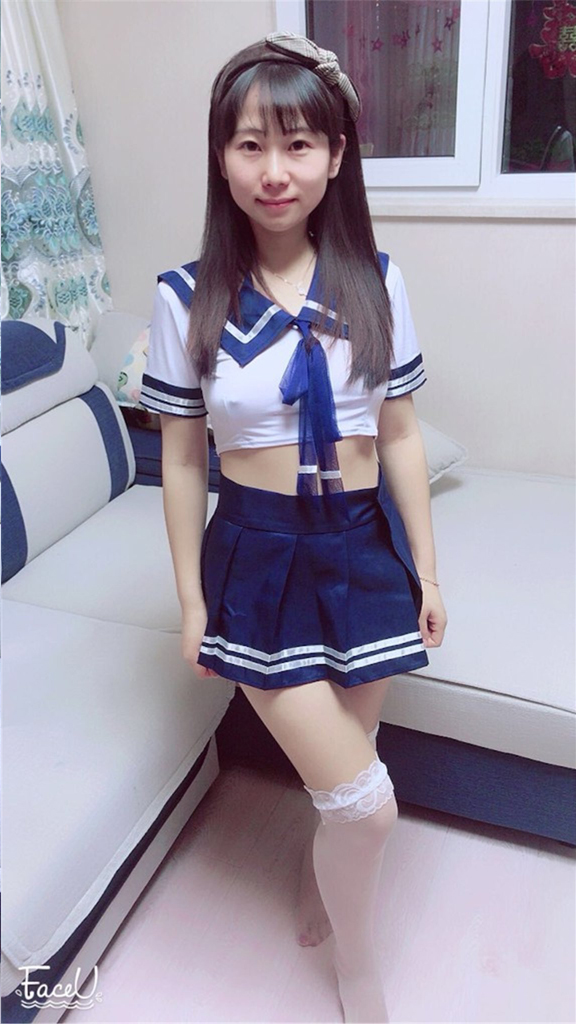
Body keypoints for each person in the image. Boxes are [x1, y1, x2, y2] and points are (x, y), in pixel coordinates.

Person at [140, 31, 447, 1024]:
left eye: (299, 145)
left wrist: (427, 570)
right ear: (221, 157)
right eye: (250, 145)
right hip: (258, 554)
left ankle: (326, 883)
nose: (275, 171)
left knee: (349, 768)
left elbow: (399, 434)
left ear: (335, 155)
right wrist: (192, 601)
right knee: (367, 801)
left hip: (362, 547)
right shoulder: (185, 298)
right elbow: (183, 460)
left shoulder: (375, 280)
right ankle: (359, 963)